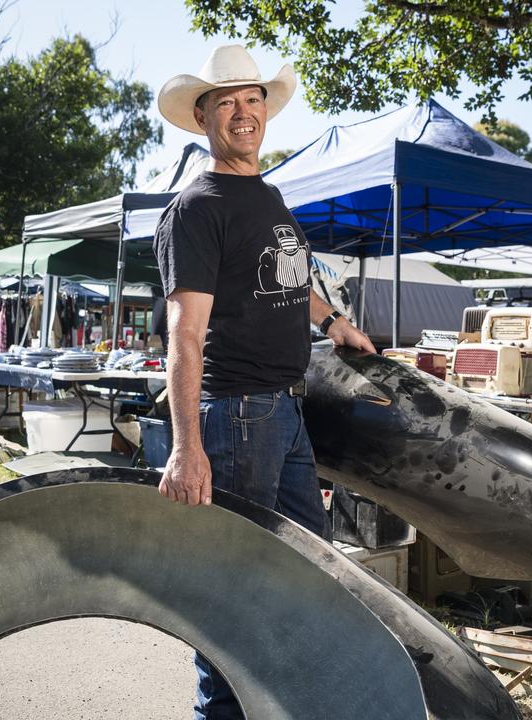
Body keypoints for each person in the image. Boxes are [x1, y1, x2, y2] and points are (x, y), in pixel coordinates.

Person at [153, 44, 376, 720]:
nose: (244, 113)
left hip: (284, 412)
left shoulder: (268, 194)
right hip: (236, 417)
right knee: (236, 595)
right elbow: (184, 334)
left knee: (307, 576)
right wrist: (187, 446)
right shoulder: (197, 207)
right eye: (229, 103)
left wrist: (333, 319)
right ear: (204, 117)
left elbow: (285, 278)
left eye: (253, 100)